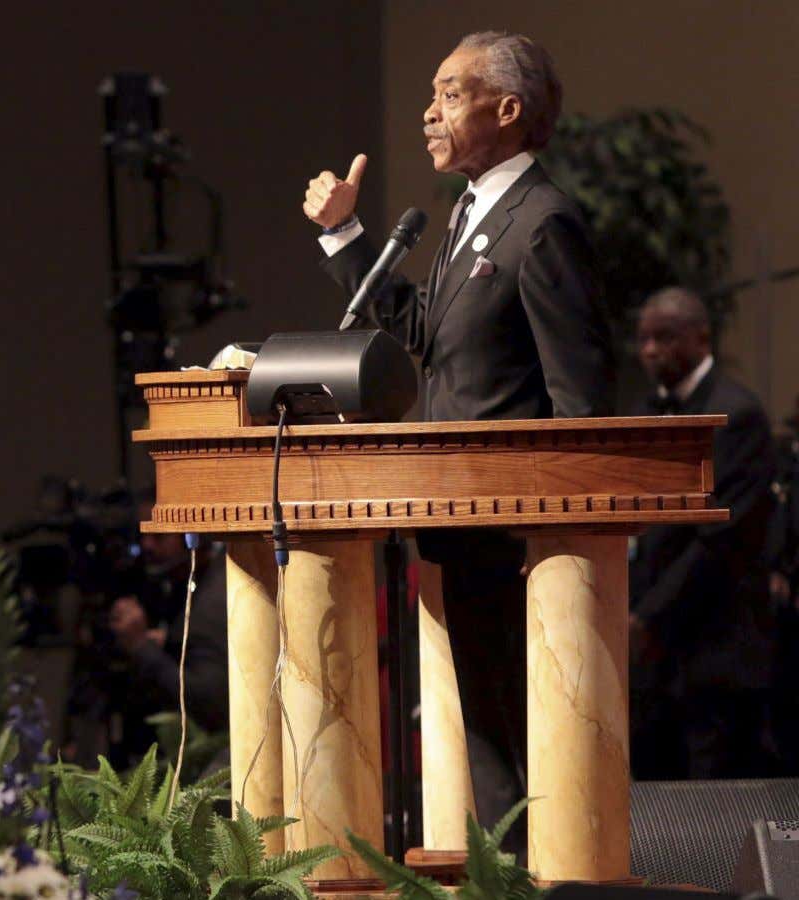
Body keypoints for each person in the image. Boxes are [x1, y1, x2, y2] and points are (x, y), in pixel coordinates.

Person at [302, 31, 613, 832]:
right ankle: (505, 879)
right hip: (460, 527)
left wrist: (560, 537)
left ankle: (547, 882)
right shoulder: (475, 212)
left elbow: (581, 401)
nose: (428, 112)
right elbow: (423, 333)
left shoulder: (541, 222)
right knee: (488, 740)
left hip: (515, 542)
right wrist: (346, 235)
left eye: (449, 93)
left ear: (507, 109)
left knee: (523, 737)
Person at [628, 287, 777, 778]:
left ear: (701, 337)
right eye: (644, 338)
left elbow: (720, 540)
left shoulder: (739, 414)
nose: (650, 350)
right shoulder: (649, 411)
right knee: (654, 805)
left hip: (715, 649)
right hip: (659, 661)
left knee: (712, 815)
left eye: (664, 337)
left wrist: (647, 617)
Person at [105, 505, 228, 758]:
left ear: (192, 536)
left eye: (159, 536)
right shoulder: (178, 581)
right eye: (143, 535)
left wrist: (141, 647)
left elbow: (210, 702)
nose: (147, 546)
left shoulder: (212, 602)